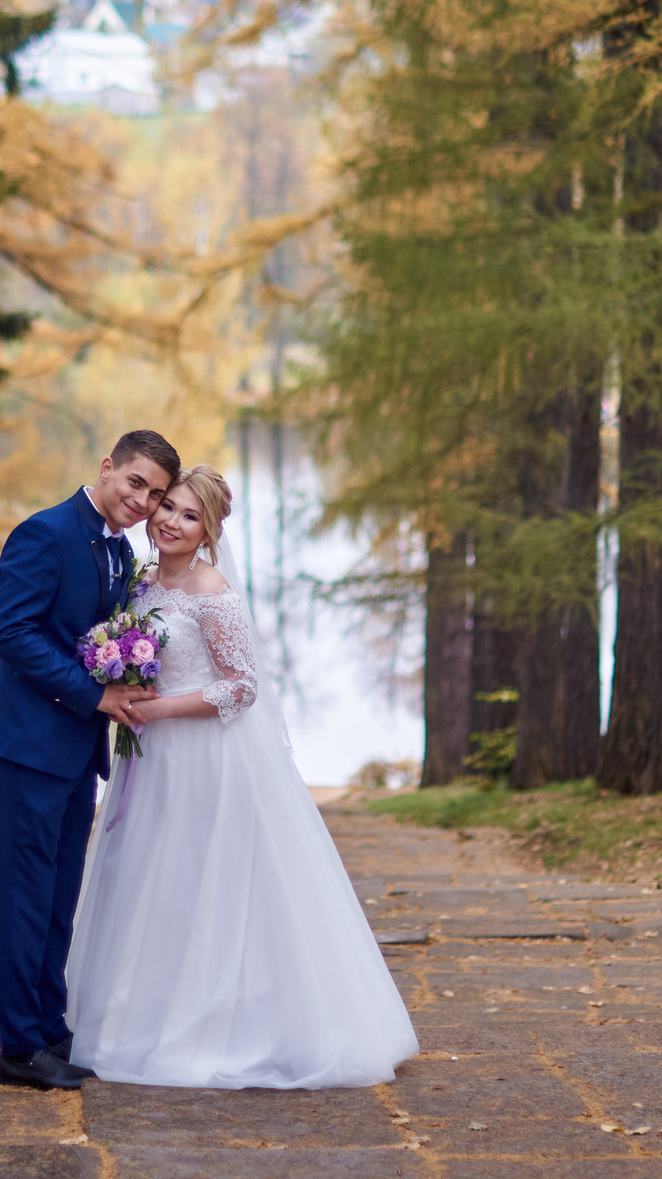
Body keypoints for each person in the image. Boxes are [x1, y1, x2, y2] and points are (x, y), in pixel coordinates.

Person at [65, 464, 419, 1089]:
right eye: (166, 506)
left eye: (188, 515)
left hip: (204, 758)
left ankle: (220, 1025)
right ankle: (134, 1017)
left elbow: (242, 687)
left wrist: (157, 708)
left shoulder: (214, 592)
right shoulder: (141, 582)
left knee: (203, 883)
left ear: (208, 531)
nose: (170, 521)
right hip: (149, 765)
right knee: (149, 881)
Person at [0, 429, 178, 1090]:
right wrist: (95, 693)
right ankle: (19, 1047)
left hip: (75, 751)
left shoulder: (118, 548)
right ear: (108, 466)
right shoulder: (47, 531)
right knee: (24, 899)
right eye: (136, 483)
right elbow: (11, 631)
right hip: (29, 743)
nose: (143, 501)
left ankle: (51, 1031)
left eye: (158, 495)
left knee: (60, 901)